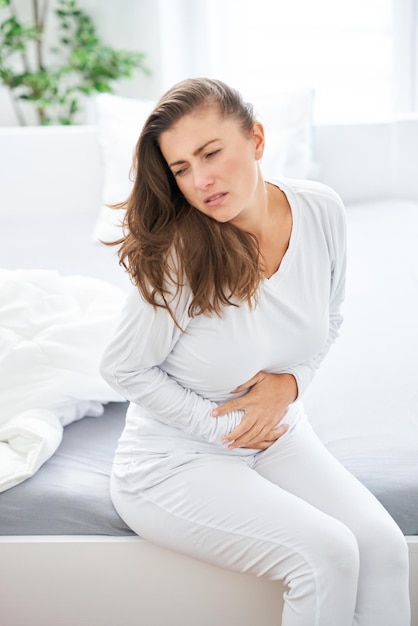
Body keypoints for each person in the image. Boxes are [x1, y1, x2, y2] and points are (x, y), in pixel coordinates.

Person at [100, 77, 410, 626]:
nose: (201, 181)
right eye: (181, 169)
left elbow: (330, 319)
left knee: (384, 547)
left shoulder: (320, 210)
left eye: (211, 153)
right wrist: (218, 427)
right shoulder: (181, 254)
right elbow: (123, 367)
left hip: (278, 431)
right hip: (173, 460)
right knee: (327, 554)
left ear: (258, 139)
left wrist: (292, 385)